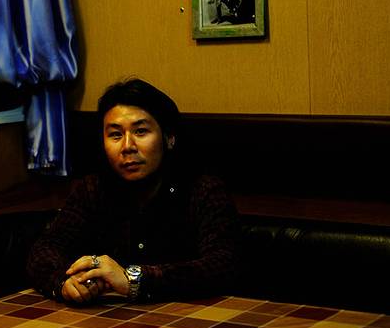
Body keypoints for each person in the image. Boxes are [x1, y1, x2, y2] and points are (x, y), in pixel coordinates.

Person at [26, 77, 240, 305]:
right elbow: (45, 249)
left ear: (169, 138)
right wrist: (64, 283)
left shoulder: (202, 190)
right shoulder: (92, 190)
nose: (127, 146)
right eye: (115, 135)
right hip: (109, 318)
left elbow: (222, 263)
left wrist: (133, 280)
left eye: (140, 131)